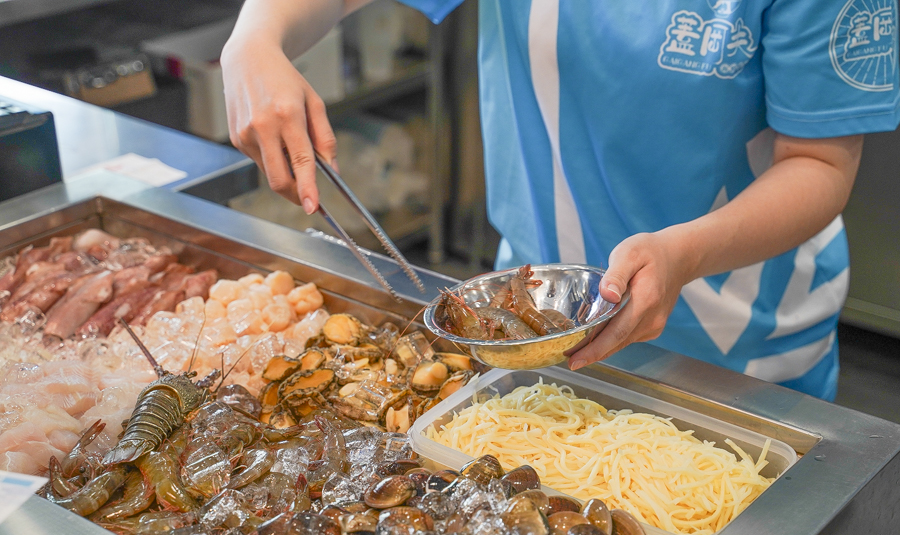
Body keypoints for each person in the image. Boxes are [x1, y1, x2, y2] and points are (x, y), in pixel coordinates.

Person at [222, 0, 900, 400]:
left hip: (741, 338)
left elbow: (817, 164)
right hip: (539, 321)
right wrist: (255, 37)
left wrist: (685, 252)